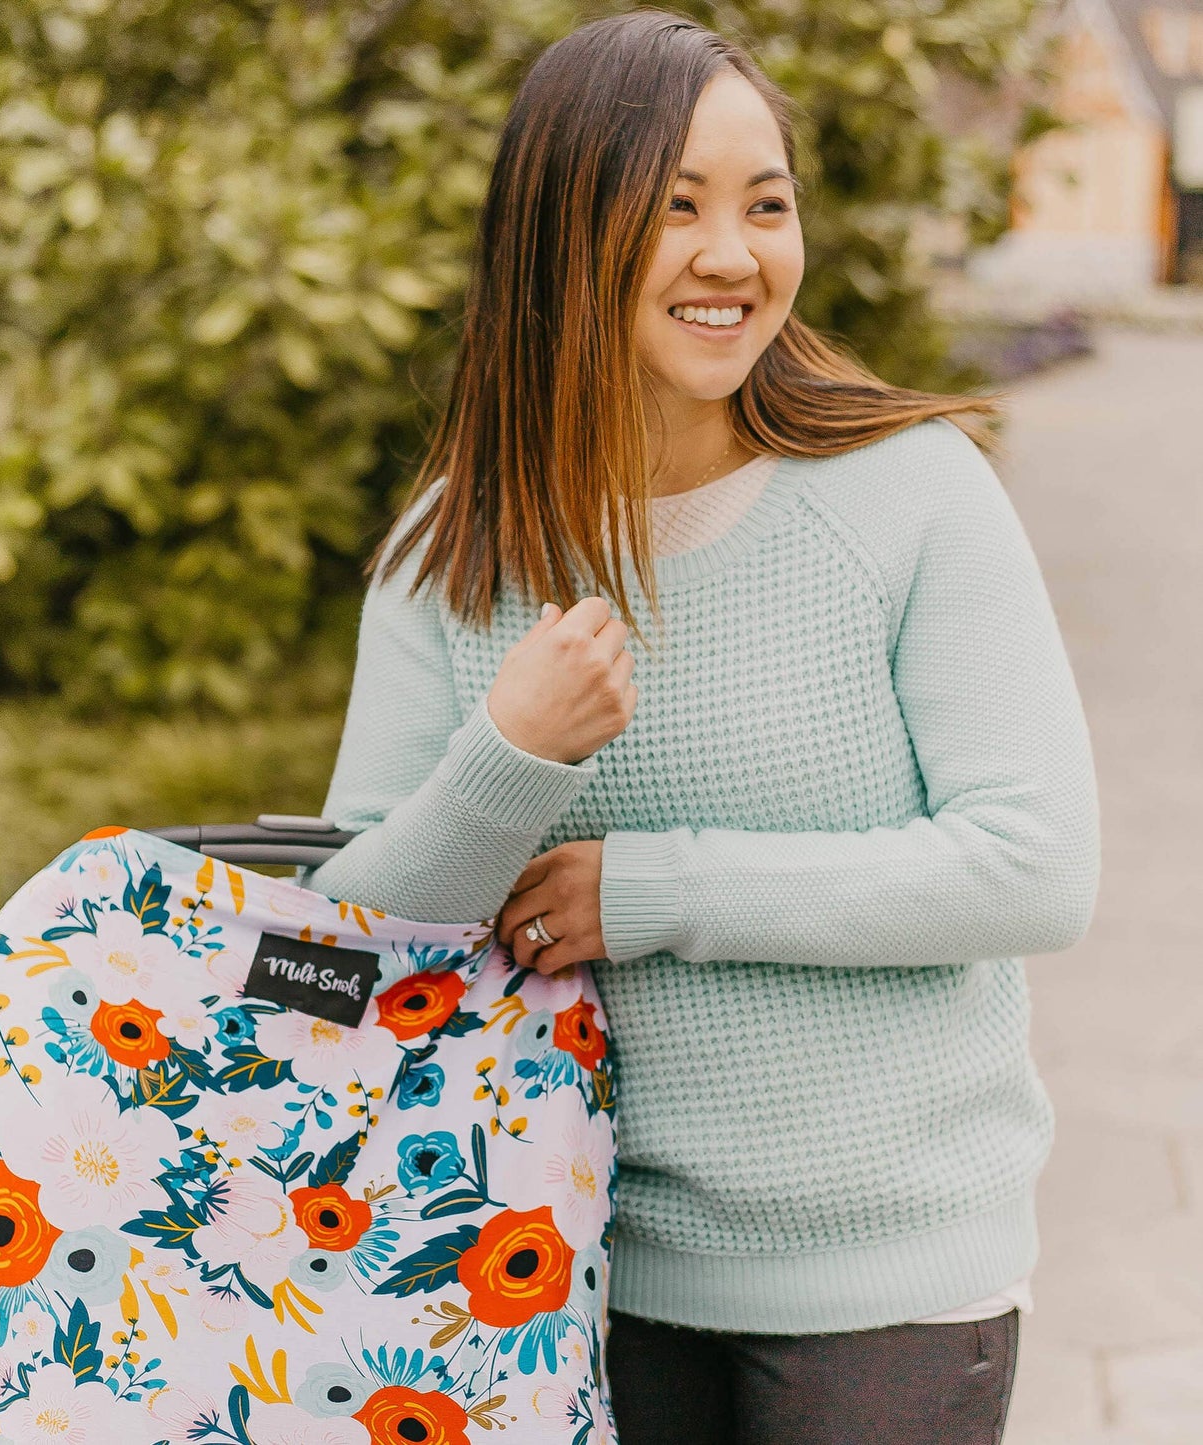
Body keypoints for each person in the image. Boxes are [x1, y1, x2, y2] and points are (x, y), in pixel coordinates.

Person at [294, 10, 1100, 1442]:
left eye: (763, 204)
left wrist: (649, 889)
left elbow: (1030, 866)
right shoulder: (454, 548)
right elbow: (344, 946)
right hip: (553, 1267)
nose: (732, 255)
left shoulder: (910, 493)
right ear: (560, 233)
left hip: (887, 1288)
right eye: (672, 210)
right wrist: (508, 757)